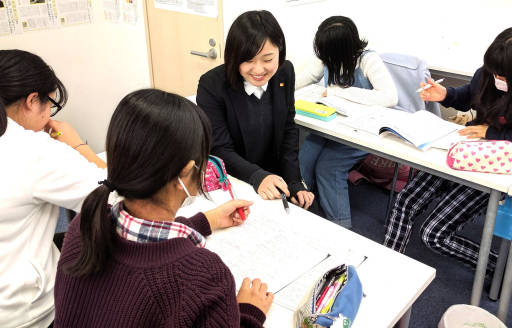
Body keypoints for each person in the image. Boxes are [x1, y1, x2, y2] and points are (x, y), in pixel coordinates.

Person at [54, 89, 273, 327]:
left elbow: (141, 246)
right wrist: (249, 313)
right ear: (186, 172)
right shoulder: (204, 276)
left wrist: (205, 220)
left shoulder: (84, 224)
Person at [383, 28, 512, 276]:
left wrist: (490, 133)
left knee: (434, 235)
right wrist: (445, 95)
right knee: (405, 202)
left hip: (492, 165)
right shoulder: (486, 75)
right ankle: (388, 265)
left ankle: (497, 267)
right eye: (493, 70)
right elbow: (467, 97)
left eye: (503, 74)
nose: (496, 77)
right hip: (460, 148)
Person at [0, 49, 106, 327]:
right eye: (49, 105)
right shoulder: (34, 151)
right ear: (32, 100)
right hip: (23, 310)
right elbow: (112, 197)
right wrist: (77, 146)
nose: (49, 116)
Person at [197, 10, 315, 210]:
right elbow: (219, 148)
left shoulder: (285, 72)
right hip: (235, 180)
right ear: (234, 57)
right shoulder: (212, 85)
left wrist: (294, 181)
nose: (259, 70)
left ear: (280, 51)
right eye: (248, 60)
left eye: (268, 60)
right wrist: (257, 176)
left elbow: (288, 129)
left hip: (275, 178)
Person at [296, 16, 398, 228]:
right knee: (302, 161)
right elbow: (306, 77)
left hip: (360, 131)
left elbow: (390, 97)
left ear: (343, 50)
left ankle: (340, 227)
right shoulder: (327, 56)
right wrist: (278, 86)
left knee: (328, 168)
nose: (324, 59)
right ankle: (299, 213)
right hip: (329, 126)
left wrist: (338, 91)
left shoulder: (368, 60)